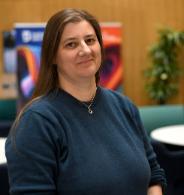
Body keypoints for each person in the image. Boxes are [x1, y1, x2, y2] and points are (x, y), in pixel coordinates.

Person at [5, 8, 166, 195]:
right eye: (71, 44)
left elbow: (153, 174)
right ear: (53, 57)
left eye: (90, 40)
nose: (85, 50)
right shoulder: (36, 123)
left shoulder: (124, 107)